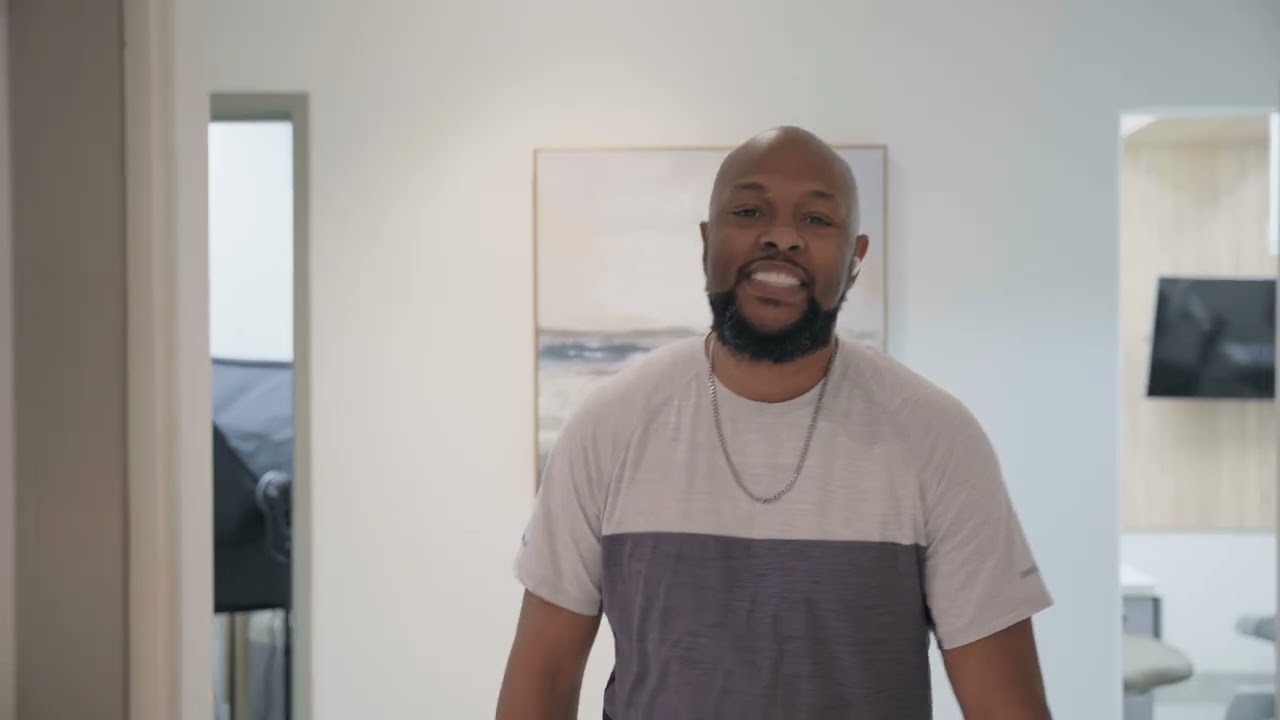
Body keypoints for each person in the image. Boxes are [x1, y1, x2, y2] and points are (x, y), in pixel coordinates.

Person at [496, 126, 1054, 719]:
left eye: (816, 220)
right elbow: (544, 682)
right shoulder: (607, 426)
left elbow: (1005, 707)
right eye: (749, 210)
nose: (781, 237)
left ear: (855, 259)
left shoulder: (938, 439)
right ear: (707, 242)